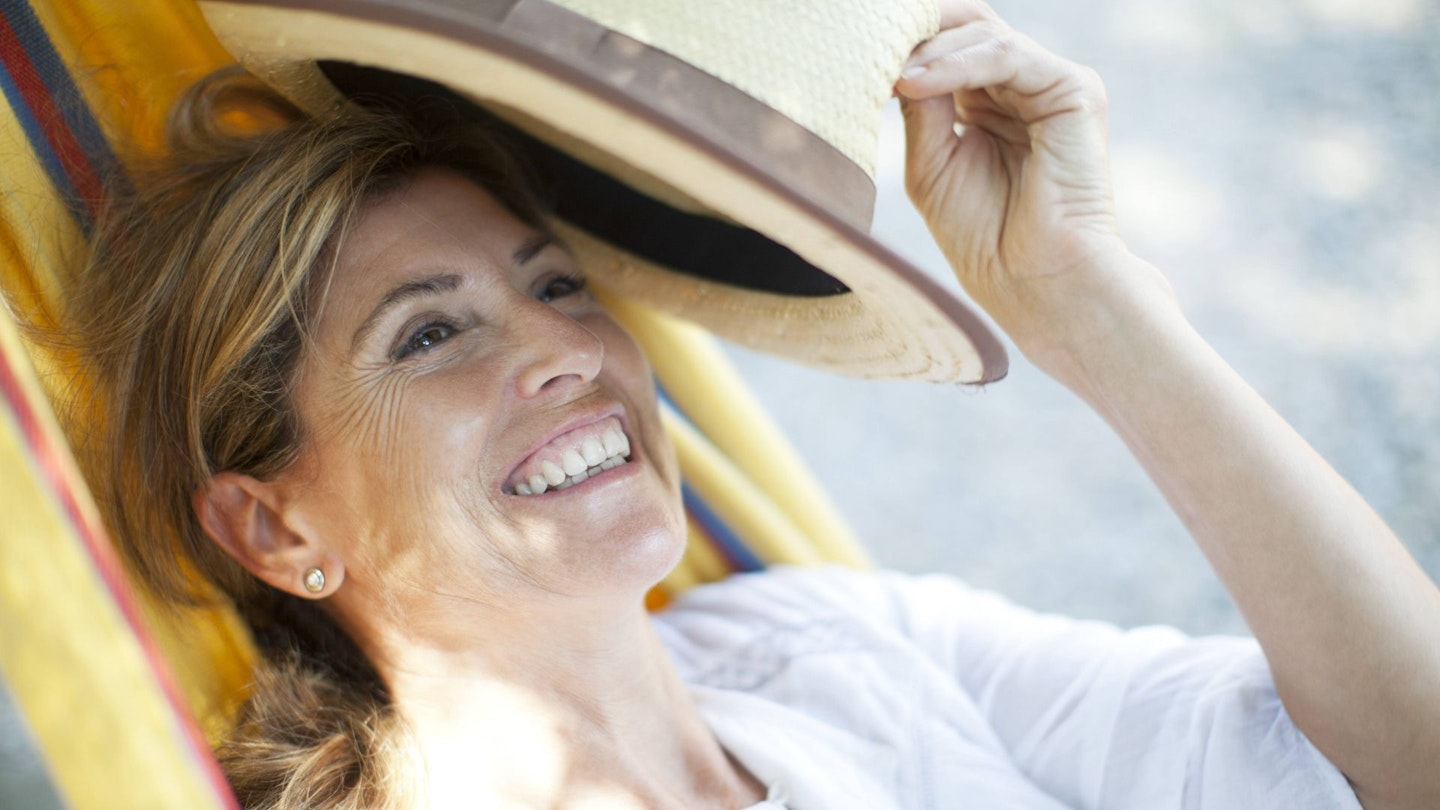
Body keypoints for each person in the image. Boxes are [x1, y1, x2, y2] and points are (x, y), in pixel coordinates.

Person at [56, 1, 1440, 808]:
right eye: (430, 334)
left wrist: (1097, 310)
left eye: (557, 283)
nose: (566, 348)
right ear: (270, 522)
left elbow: (1403, 750)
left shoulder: (818, 640)